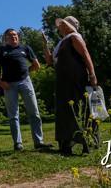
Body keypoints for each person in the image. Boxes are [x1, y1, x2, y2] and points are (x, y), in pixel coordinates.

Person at [41, 16, 99, 155]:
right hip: (63, 81)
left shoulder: (74, 37)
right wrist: (45, 44)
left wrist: (92, 75)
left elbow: (86, 55)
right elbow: (49, 61)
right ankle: (66, 143)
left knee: (80, 108)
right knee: (65, 110)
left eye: (61, 24)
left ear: (67, 26)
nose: (59, 26)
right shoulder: (62, 42)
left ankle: (87, 143)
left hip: (75, 78)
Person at [0, 28, 54, 152]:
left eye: (15, 35)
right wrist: (0, 82)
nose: (14, 37)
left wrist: (25, 72)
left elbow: (36, 65)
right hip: (9, 84)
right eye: (10, 35)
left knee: (34, 112)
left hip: (25, 82)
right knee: (13, 115)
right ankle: (18, 143)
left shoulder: (25, 48)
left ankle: (39, 141)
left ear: (18, 37)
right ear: (6, 38)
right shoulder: (2, 50)